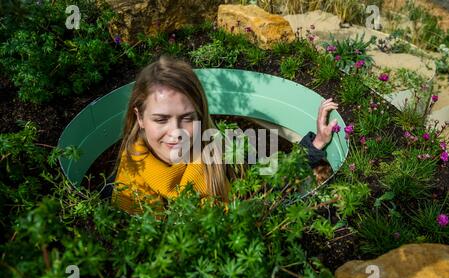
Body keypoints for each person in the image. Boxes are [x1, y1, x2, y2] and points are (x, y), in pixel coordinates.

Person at [111, 56, 338, 214]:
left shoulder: (214, 151)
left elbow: (267, 182)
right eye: (161, 119)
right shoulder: (132, 176)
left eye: (187, 118)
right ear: (140, 118)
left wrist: (315, 144)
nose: (176, 132)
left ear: (200, 115)